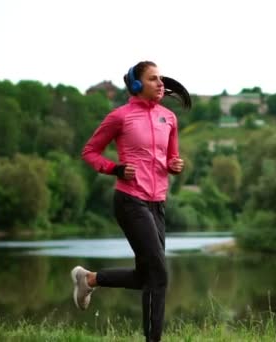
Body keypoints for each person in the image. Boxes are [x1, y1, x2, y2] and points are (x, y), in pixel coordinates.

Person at [71, 60, 191, 342]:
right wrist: (115, 169)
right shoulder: (120, 117)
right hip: (130, 200)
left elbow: (171, 158)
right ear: (136, 85)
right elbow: (90, 152)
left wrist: (174, 165)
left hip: (157, 202)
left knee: (147, 277)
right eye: (153, 79)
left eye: (161, 78)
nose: (161, 83)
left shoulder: (169, 118)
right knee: (159, 275)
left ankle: (89, 280)